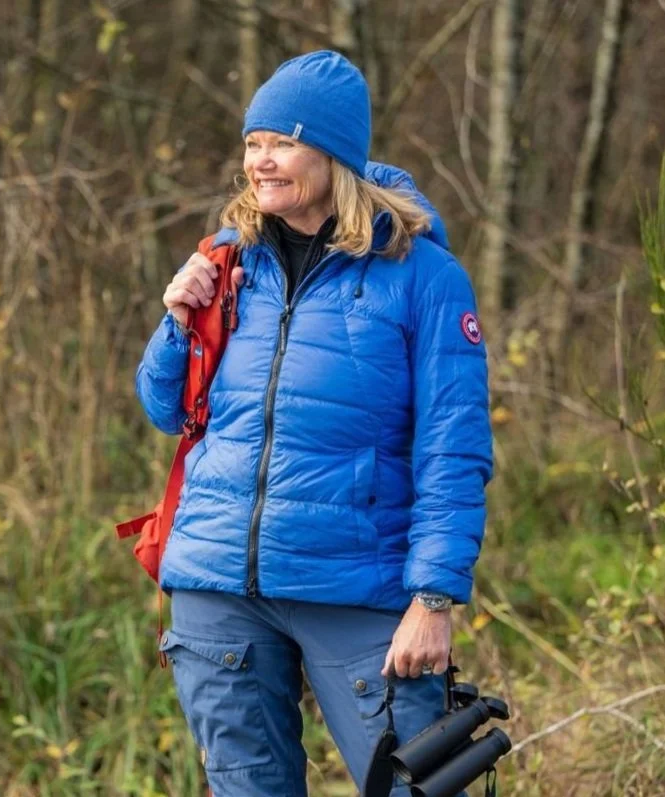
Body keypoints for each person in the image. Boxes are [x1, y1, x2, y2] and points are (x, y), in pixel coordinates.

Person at [136, 50, 492, 797]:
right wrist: (176, 322)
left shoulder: (422, 276)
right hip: (217, 587)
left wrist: (433, 599)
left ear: (333, 155)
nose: (260, 162)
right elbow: (166, 408)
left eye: (281, 143)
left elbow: (452, 448)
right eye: (252, 143)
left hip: (355, 585)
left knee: (413, 786)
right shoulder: (230, 260)